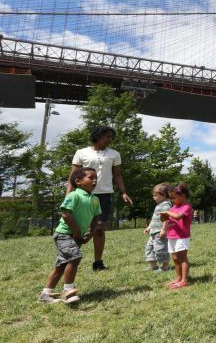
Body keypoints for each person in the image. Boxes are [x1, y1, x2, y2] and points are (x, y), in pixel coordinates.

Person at [67, 126, 133, 271]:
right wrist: (68, 195)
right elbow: (73, 176)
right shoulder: (81, 152)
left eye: (111, 137)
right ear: (97, 136)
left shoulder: (114, 154)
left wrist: (123, 192)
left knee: (99, 228)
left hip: (104, 195)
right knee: (76, 227)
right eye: (107, 136)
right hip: (83, 195)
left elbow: (117, 175)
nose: (110, 139)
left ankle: (98, 262)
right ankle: (70, 258)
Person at [38, 167, 99, 304]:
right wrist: (77, 232)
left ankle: (46, 294)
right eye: (90, 177)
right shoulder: (73, 195)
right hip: (64, 235)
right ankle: (68, 291)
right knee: (75, 257)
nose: (94, 180)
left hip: (77, 236)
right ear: (78, 181)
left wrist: (91, 234)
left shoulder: (95, 199)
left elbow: (96, 218)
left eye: (96, 178)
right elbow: (66, 215)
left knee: (61, 265)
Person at [160, 183, 193, 289]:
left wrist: (168, 213)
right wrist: (163, 217)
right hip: (172, 236)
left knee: (182, 258)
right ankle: (178, 278)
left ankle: (184, 280)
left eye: (174, 197)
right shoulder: (173, 208)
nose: (172, 200)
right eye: (171, 198)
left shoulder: (186, 207)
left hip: (182, 236)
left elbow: (178, 217)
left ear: (182, 196)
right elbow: (167, 220)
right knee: (174, 258)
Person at [143, 183, 171, 272]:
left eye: (155, 195)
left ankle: (165, 267)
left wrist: (164, 230)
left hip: (159, 232)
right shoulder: (158, 205)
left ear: (163, 195)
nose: (153, 197)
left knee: (161, 249)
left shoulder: (166, 205)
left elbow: (166, 219)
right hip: (153, 233)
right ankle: (154, 266)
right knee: (149, 249)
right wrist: (149, 227)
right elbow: (154, 219)